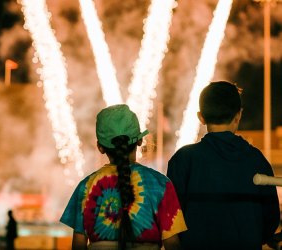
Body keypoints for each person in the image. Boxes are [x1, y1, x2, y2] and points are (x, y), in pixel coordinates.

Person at [167, 81, 280, 250]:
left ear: (201, 117)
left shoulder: (183, 160)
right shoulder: (258, 160)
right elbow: (270, 220)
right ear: (238, 115)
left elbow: (171, 220)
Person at [60, 104, 187, 250]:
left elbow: (78, 243)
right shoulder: (160, 184)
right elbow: (173, 244)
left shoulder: (86, 186)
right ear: (139, 141)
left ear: (100, 147)